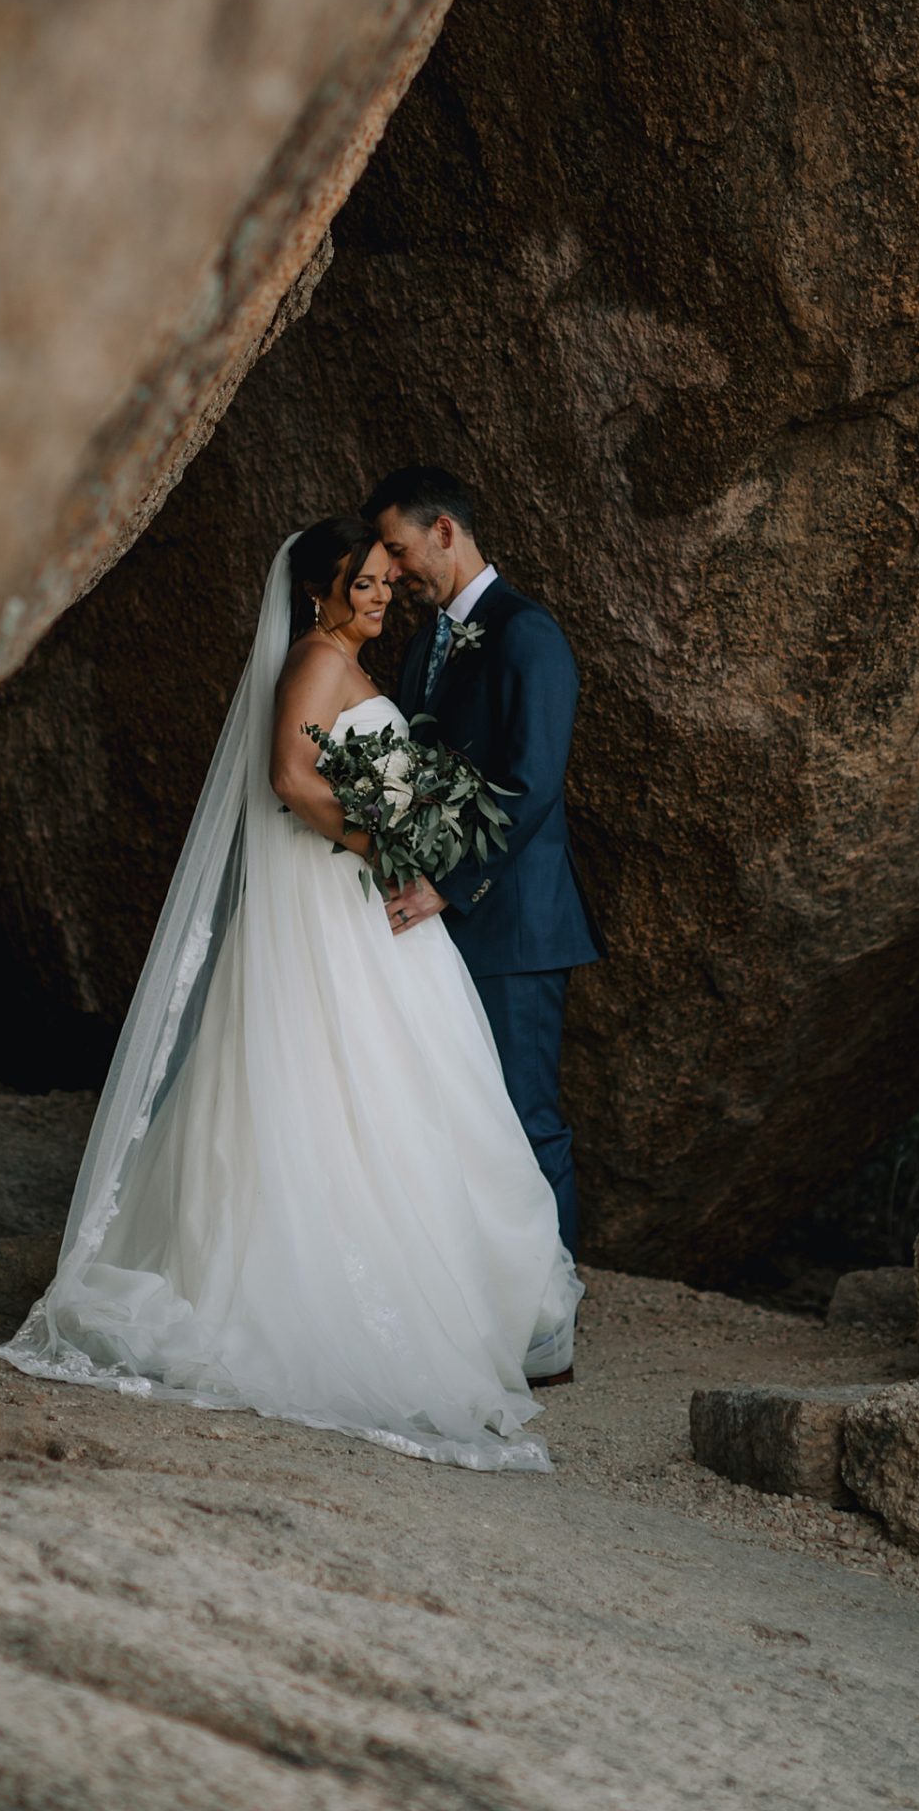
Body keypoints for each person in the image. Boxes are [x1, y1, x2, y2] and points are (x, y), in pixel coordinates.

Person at [0, 517, 580, 1470]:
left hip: (360, 908)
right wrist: (373, 843)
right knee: (333, 1068)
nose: (383, 594)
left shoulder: (341, 657)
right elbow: (289, 777)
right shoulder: (314, 659)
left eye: (390, 580)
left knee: (406, 1079)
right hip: (332, 901)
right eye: (367, 582)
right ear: (320, 591)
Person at [366, 466, 602, 1261]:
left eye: (399, 552)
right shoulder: (427, 642)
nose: (393, 574)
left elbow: (532, 782)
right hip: (443, 925)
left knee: (526, 1120)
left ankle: (551, 1316)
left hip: (515, 927)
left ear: (445, 532)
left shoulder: (527, 632)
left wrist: (450, 884)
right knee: (452, 1122)